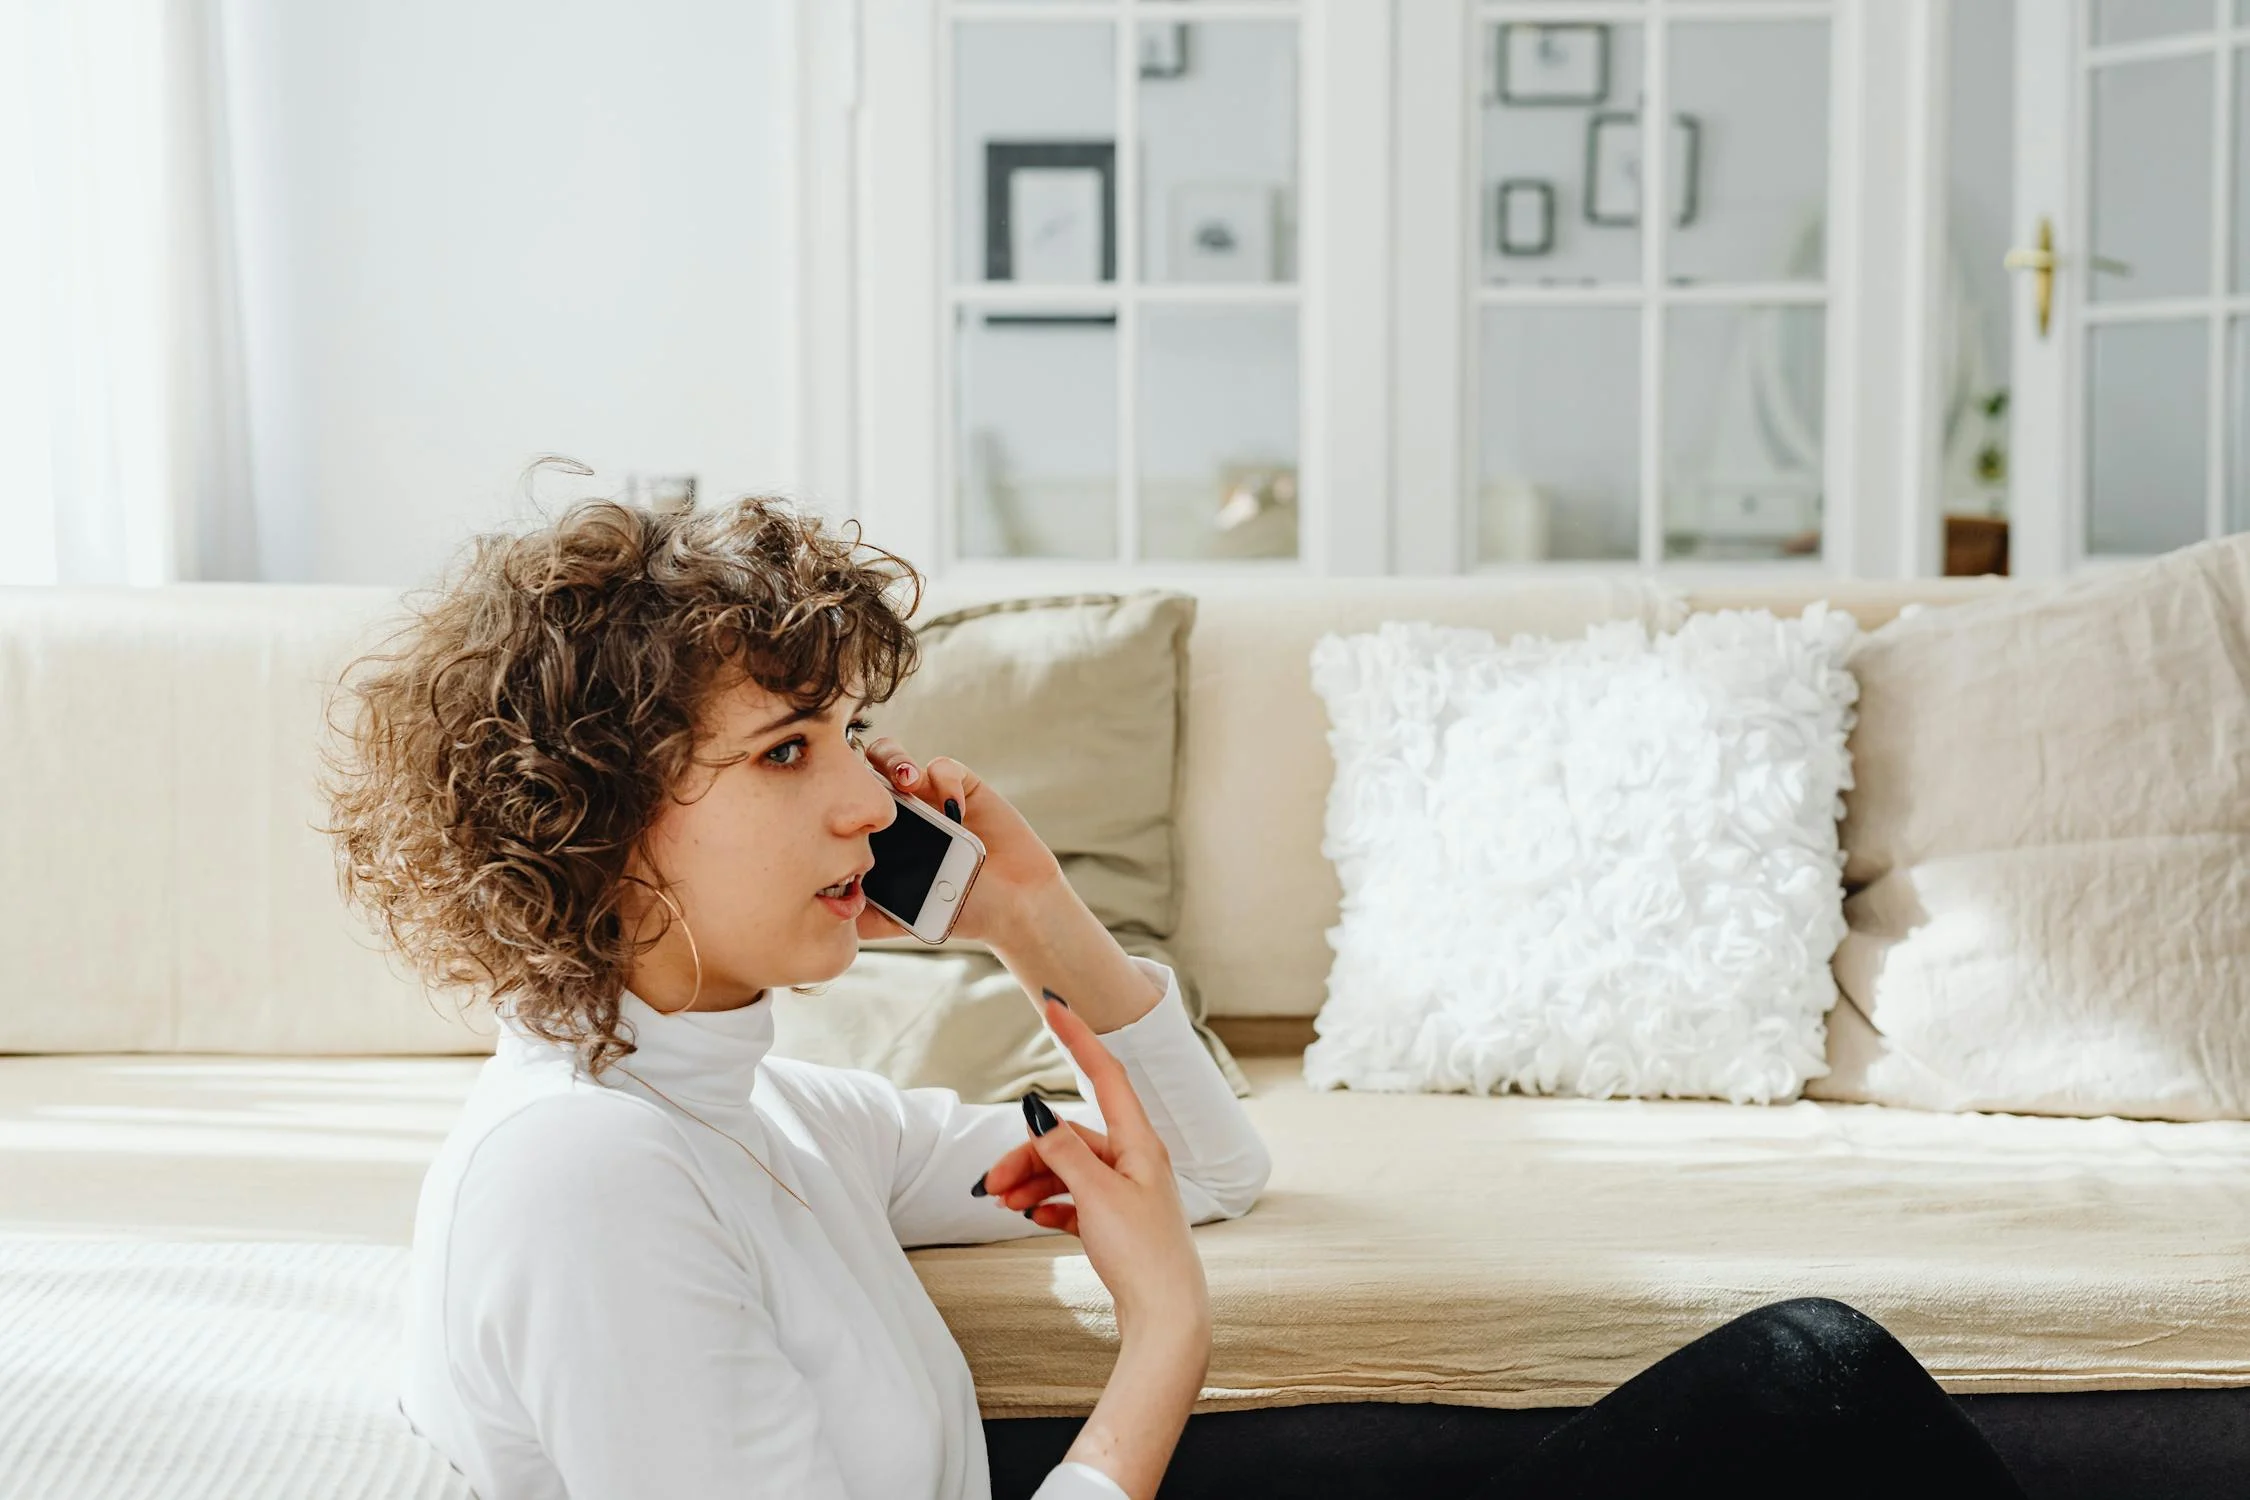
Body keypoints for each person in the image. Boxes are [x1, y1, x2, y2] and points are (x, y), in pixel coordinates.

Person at [322, 485, 2026, 1500]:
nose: (864, 803)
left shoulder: (751, 1107)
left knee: (1800, 1392)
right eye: (787, 752)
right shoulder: (588, 1177)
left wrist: (1037, 921)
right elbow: (1179, 1253)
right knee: (1805, 1387)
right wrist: (1161, 1353)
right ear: (601, 820)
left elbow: (1200, 1172)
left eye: (851, 740)